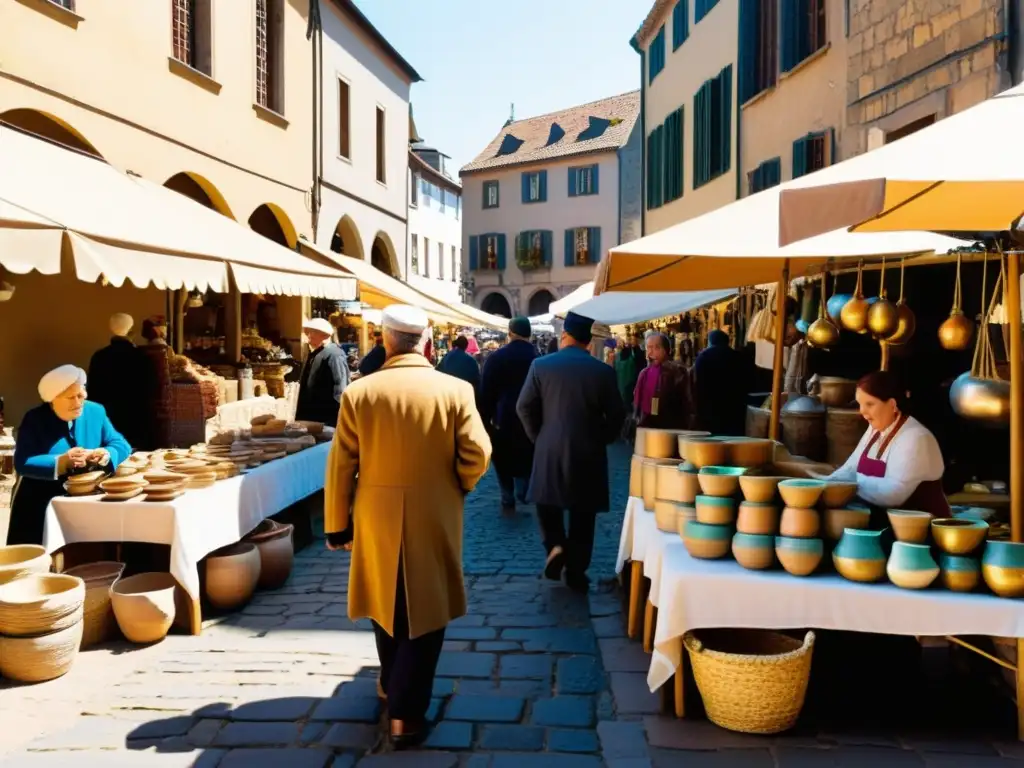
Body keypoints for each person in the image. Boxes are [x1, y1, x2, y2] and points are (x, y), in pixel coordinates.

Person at [323, 305, 491, 748]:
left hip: (375, 513)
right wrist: (455, 486)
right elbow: (477, 453)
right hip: (433, 512)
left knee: (386, 597)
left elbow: (341, 464)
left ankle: (392, 683)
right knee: (426, 608)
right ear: (428, 343)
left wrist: (337, 525)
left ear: (383, 341)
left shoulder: (361, 392)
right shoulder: (455, 390)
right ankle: (406, 713)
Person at [517, 311, 626, 592]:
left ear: (565, 334)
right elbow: (617, 414)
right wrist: (602, 437)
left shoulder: (541, 366)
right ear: (589, 340)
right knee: (583, 513)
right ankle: (576, 570)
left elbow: (524, 407)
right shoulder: (602, 371)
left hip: (549, 445)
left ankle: (555, 546)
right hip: (588, 448)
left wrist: (538, 437)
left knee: (546, 502)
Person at [8, 366, 131, 546]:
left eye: (81, 395)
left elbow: (121, 444)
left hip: (87, 502)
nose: (78, 402)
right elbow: (23, 462)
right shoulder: (34, 419)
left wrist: (106, 453)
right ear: (53, 399)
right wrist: (61, 462)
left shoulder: (96, 411)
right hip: (40, 502)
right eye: (70, 397)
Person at [814, 370, 950, 520]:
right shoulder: (875, 429)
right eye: (860, 404)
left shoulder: (916, 438)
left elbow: (894, 495)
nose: (862, 412)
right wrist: (822, 484)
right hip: (886, 523)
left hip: (920, 530)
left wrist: (849, 485)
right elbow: (851, 468)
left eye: (869, 404)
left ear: (892, 404)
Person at [480, 317, 536, 515]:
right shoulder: (538, 357)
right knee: (527, 455)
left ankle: (507, 495)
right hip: (531, 418)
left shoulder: (496, 357)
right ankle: (523, 488)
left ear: (510, 333)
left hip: (502, 418)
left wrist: (484, 423)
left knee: (502, 459)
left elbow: (486, 393)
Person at [87, 313, 159, 451]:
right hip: (136, 422)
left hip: (107, 421)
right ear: (131, 331)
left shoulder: (99, 356)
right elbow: (151, 390)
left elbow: (93, 392)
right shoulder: (140, 357)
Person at [295, 318, 350, 426]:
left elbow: (340, 388)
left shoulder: (334, 355)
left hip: (325, 419)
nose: (309, 335)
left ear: (325, 336)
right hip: (312, 417)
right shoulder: (316, 353)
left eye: (313, 332)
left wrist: (335, 421)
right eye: (308, 332)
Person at [693, 329, 748, 437]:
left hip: (710, 408)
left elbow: (697, 384)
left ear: (710, 341)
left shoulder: (704, 357)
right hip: (735, 407)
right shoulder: (739, 357)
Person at [633, 332, 693, 429]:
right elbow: (637, 402)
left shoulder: (678, 371)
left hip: (670, 427)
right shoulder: (644, 373)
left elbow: (689, 403)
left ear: (666, 350)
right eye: (649, 347)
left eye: (656, 348)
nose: (651, 352)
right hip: (646, 427)